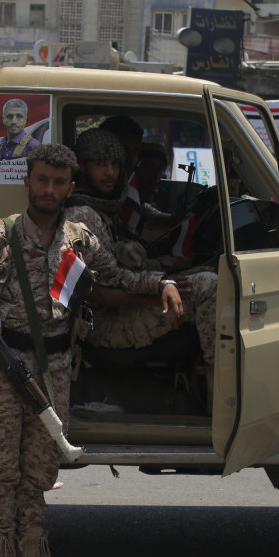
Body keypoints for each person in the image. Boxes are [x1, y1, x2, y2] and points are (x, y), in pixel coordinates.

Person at [0, 144, 180, 557]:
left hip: (54, 371)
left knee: (41, 470)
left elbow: (118, 280)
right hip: (7, 366)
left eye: (58, 182)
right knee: (4, 471)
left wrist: (163, 282)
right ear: (28, 181)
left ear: (70, 188)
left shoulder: (80, 240)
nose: (49, 189)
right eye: (41, 179)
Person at [65, 128, 219, 408]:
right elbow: (90, 292)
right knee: (210, 285)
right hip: (103, 325)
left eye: (115, 165)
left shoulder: (101, 209)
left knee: (202, 273)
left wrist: (165, 273)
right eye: (101, 164)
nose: (110, 172)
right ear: (83, 167)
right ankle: (215, 384)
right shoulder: (81, 216)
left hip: (120, 307)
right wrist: (156, 294)